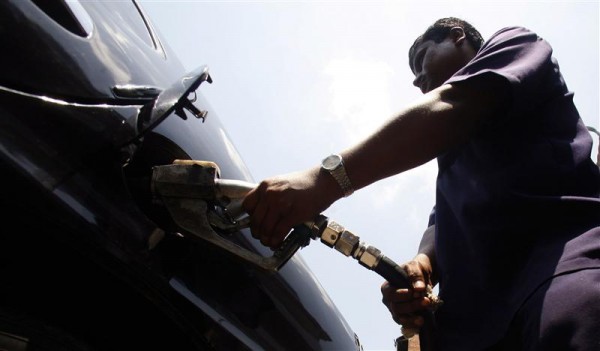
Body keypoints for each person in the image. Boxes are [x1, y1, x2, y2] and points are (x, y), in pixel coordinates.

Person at [242, 17, 600, 350]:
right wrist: (418, 271)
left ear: (458, 36)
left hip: (560, 275)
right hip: (474, 331)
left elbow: (451, 103)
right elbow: (441, 225)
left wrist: (322, 182)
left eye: (422, 58)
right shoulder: (453, 168)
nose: (416, 80)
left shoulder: (515, 45)